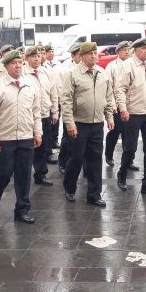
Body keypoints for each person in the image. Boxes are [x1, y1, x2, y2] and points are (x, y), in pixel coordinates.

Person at [0, 49, 42, 224]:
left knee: (24, 175)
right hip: (5, 138)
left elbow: (36, 111)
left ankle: (22, 209)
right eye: (13, 63)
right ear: (6, 66)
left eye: (20, 62)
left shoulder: (30, 85)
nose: (18, 66)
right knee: (3, 173)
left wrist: (37, 132)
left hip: (25, 136)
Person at [59, 42, 115, 206]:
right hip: (79, 124)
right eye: (90, 53)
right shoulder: (73, 74)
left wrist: (109, 117)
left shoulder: (102, 73)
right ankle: (69, 187)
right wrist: (69, 124)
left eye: (95, 53)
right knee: (76, 159)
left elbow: (108, 97)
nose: (93, 56)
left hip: (97, 123)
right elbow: (66, 101)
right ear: (82, 56)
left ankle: (94, 194)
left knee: (95, 160)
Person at [114, 37, 146, 196]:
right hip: (133, 113)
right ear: (136, 50)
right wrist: (123, 109)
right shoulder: (128, 65)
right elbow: (120, 89)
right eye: (143, 49)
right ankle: (122, 174)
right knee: (130, 148)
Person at [23, 45, 59, 186]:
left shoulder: (46, 72)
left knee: (43, 146)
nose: (37, 58)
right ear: (26, 58)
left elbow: (53, 92)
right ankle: (23, 175)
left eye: (38, 56)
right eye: (33, 56)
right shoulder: (23, 73)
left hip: (44, 114)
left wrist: (54, 112)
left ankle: (40, 174)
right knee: (27, 148)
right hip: (28, 116)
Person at [56, 42, 84, 174]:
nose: (82, 57)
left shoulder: (86, 67)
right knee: (67, 138)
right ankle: (63, 162)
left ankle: (83, 163)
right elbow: (63, 91)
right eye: (79, 55)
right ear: (73, 56)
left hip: (83, 110)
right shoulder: (65, 69)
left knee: (82, 138)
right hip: (70, 108)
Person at [104, 40, 132, 166]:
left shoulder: (132, 64)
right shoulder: (112, 66)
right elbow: (109, 87)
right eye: (124, 50)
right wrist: (113, 106)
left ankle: (128, 160)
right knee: (115, 131)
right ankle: (109, 155)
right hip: (117, 105)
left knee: (129, 134)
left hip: (131, 105)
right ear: (118, 52)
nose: (127, 52)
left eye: (128, 50)